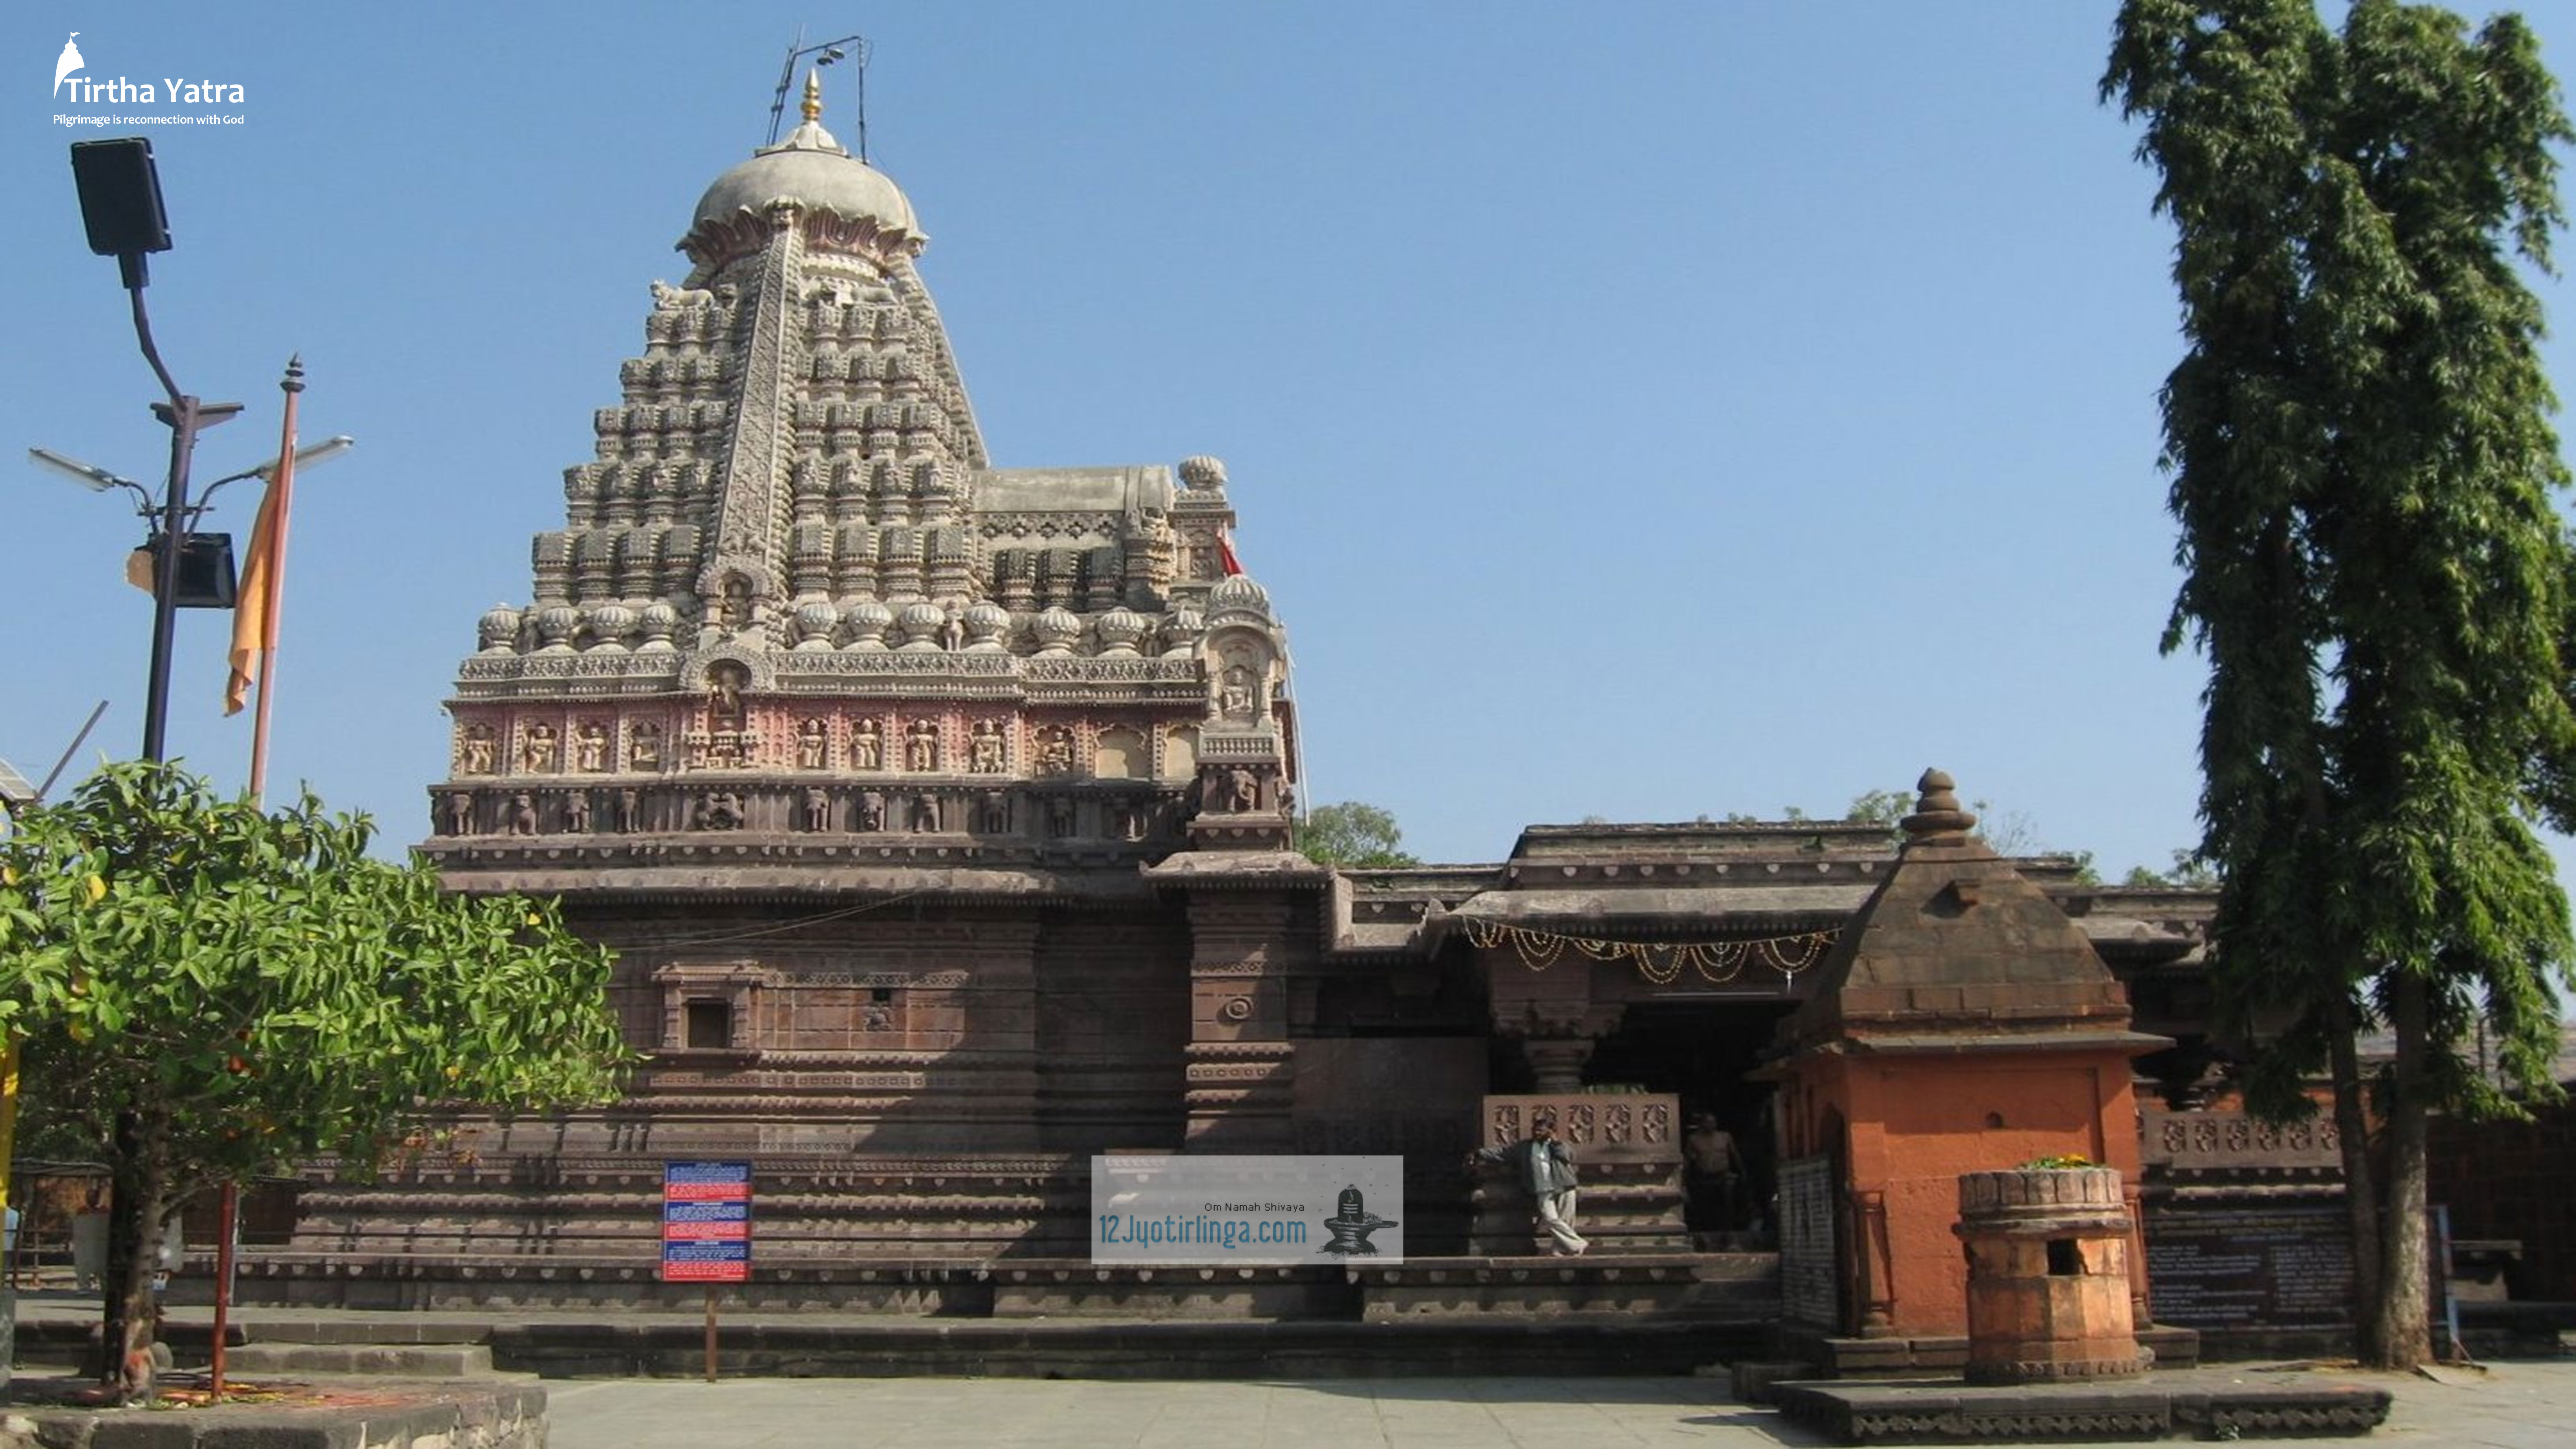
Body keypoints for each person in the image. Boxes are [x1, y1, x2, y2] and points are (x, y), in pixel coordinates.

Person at [1468, 1114, 1588, 1256]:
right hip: (1542, 1189)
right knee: (1550, 1219)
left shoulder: (1560, 1145)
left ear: (1550, 1131)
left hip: (1563, 1186)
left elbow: (1567, 1157)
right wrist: (1479, 1153)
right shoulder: (1525, 1147)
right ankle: (1578, 1244)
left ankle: (1561, 1248)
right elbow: (1504, 1153)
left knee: (1565, 1220)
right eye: (1535, 1130)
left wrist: (1555, 1142)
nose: (1537, 1133)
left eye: (1541, 1130)